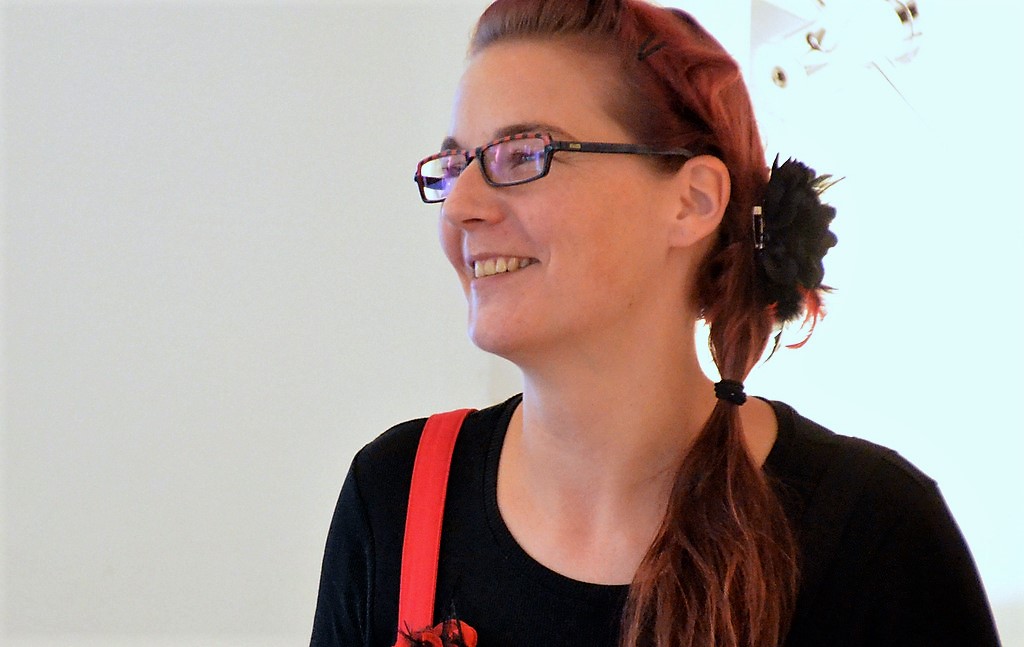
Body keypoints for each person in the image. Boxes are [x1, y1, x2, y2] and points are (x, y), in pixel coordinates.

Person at [310, 1, 1001, 646]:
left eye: (522, 154)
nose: (461, 206)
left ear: (692, 200)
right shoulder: (396, 496)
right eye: (454, 165)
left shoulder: (875, 535)